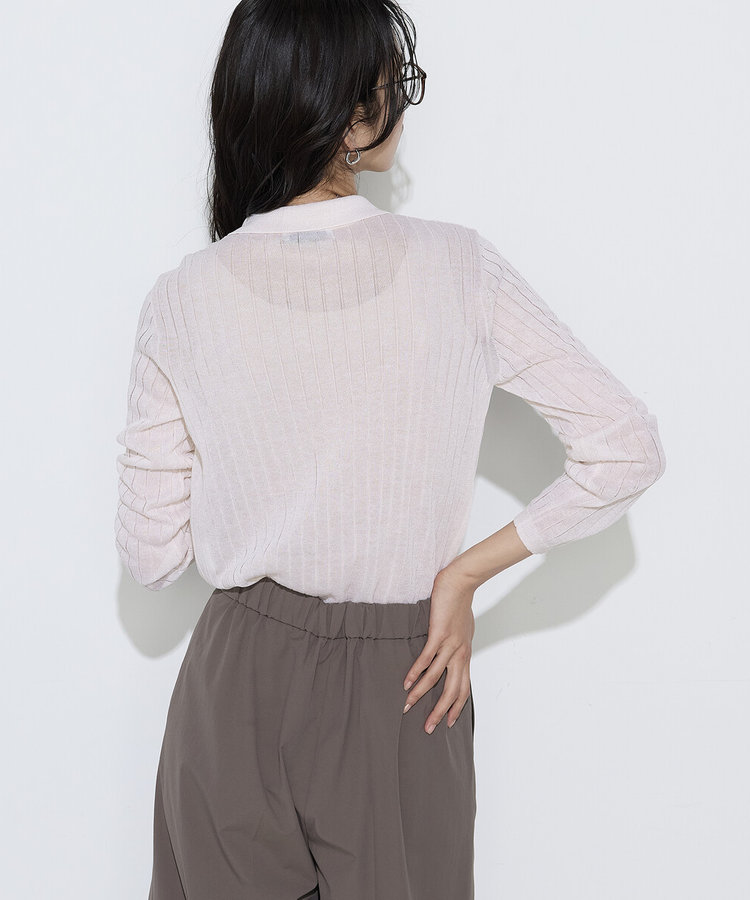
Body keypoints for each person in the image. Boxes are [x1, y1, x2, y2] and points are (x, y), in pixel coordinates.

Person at [113, 1, 667, 898]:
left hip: (235, 680)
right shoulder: (459, 268)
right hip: (403, 674)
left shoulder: (183, 297)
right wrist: (463, 575)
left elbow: (151, 559)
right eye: (392, 84)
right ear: (349, 118)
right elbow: (625, 445)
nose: (403, 104)